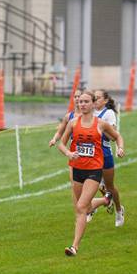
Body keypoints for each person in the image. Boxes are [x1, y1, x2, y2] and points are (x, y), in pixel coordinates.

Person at [56, 91, 125, 256]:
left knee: (81, 207)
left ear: (93, 104)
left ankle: (74, 247)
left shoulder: (101, 124)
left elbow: (117, 136)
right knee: (82, 208)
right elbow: (61, 144)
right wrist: (68, 153)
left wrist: (120, 147)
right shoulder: (73, 123)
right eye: (80, 102)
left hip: (94, 171)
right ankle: (105, 200)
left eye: (86, 102)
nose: (82, 105)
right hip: (77, 169)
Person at [94, 90, 125, 227]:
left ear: (105, 100)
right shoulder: (89, 112)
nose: (95, 100)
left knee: (109, 186)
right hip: (91, 155)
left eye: (98, 98)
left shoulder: (108, 114)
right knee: (94, 183)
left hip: (104, 153)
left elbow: (112, 136)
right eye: (94, 98)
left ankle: (119, 210)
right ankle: (91, 208)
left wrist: (100, 128)